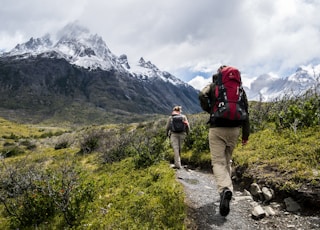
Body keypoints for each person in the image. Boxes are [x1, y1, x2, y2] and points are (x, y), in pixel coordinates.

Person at [207, 65, 250, 217]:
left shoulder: (214, 86)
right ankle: (228, 189)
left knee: (218, 162)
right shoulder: (239, 89)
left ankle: (225, 189)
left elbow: (201, 95)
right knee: (228, 161)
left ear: (219, 74)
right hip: (235, 129)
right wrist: (245, 135)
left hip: (217, 128)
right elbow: (246, 111)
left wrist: (210, 109)